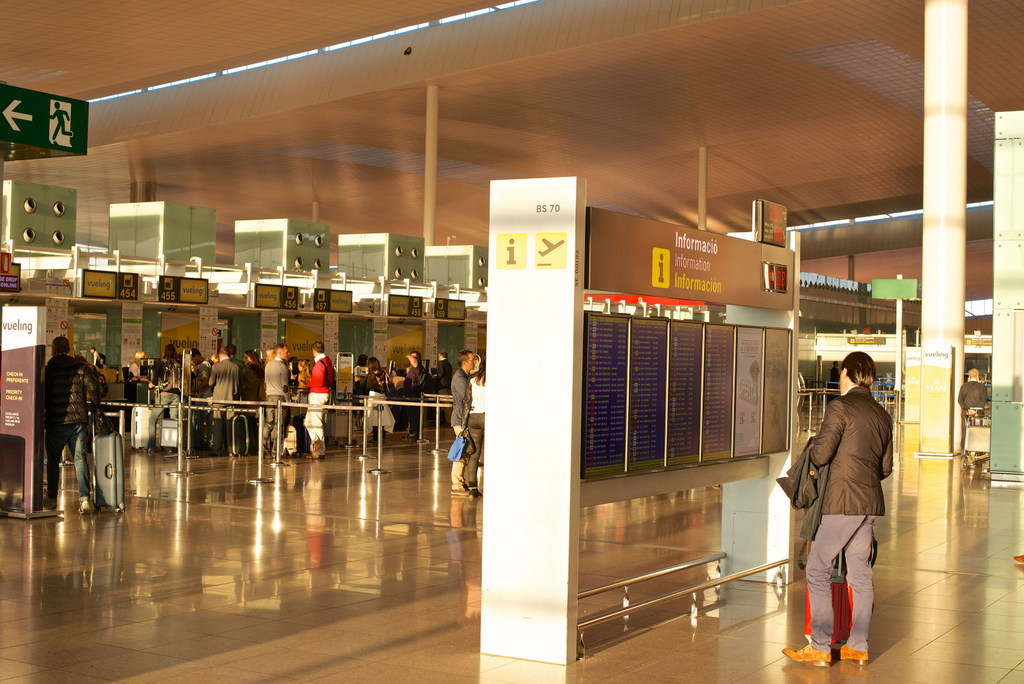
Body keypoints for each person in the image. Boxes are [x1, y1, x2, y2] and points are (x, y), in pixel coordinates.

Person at [783, 351, 893, 666]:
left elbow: (821, 454)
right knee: (860, 574)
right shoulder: (882, 414)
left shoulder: (840, 407)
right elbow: (885, 467)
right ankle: (858, 645)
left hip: (842, 503)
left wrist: (814, 445)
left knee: (817, 567)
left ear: (845, 373)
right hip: (870, 503)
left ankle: (819, 646)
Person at [44, 337, 100, 514]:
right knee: (80, 460)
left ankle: (52, 498)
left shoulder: (48, 370)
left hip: (56, 421)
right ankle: (84, 500)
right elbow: (94, 387)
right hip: (78, 422)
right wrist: (95, 404)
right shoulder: (80, 367)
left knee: (53, 460)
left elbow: (41, 394)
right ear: (69, 350)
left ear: (53, 350)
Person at [449, 350, 476, 496]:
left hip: (463, 418)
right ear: (464, 362)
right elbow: (468, 396)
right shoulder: (460, 378)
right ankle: (456, 484)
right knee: (461, 451)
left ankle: (459, 481)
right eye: (472, 360)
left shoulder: (466, 376)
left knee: (465, 452)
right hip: (460, 419)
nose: (474, 362)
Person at [305, 341, 335, 458]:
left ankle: (320, 450)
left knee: (316, 422)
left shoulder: (318, 364)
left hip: (317, 394)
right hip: (324, 393)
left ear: (313, 351)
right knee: (308, 421)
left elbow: (318, 382)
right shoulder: (328, 361)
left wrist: (307, 382)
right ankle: (316, 442)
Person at [209, 351, 241, 454]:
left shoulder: (216, 367)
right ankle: (231, 449)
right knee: (230, 425)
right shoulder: (236, 367)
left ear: (220, 356)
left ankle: (217, 449)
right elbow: (239, 383)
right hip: (232, 399)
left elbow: (211, 382)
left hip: (218, 399)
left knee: (218, 425)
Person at [152, 344, 182, 453]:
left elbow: (155, 381)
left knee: (152, 419)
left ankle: (151, 446)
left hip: (164, 395)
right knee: (174, 420)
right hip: (176, 395)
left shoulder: (160, 363)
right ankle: (170, 447)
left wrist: (152, 385)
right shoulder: (178, 363)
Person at [263, 343, 291, 457]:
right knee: (279, 424)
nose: (288, 353)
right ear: (280, 352)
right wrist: (288, 400)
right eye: (286, 351)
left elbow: (265, 384)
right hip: (280, 397)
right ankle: (276, 451)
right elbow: (285, 386)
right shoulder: (282, 366)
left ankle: (263, 449)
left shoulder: (268, 365)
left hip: (269, 397)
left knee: (268, 424)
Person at [464, 359, 486, 498]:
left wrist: (464, 423)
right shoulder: (498, 379)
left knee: (474, 455)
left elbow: (467, 401)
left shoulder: (473, 380)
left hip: (473, 417)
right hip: (488, 417)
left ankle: (472, 487)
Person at [957, 368, 988, 454]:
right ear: (977, 376)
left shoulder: (963, 386)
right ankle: (978, 450)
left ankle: (964, 449)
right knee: (977, 430)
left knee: (965, 430)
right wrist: (974, 409)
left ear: (970, 377)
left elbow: (960, 400)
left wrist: (968, 409)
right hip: (978, 413)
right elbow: (983, 400)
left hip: (966, 413)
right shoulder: (981, 387)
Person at [190, 349, 213, 450]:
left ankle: (203, 443)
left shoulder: (203, 365)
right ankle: (210, 442)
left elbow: (205, 382)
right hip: (211, 395)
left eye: (192, 359)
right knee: (211, 421)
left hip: (205, 396)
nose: (192, 362)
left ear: (197, 356)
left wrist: (194, 389)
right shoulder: (210, 362)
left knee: (201, 420)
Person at [403, 350, 425, 440]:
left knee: (414, 415)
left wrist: (408, 356)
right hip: (409, 394)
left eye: (414, 357)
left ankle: (415, 433)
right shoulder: (412, 368)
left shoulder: (417, 367)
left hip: (414, 395)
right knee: (411, 415)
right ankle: (412, 432)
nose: (411, 359)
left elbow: (414, 361)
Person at [437, 351, 454, 426]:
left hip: (442, 386)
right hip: (448, 385)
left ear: (440, 356)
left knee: (446, 404)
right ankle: (450, 419)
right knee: (449, 403)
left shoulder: (441, 363)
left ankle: (449, 421)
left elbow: (440, 374)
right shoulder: (449, 364)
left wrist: (435, 378)